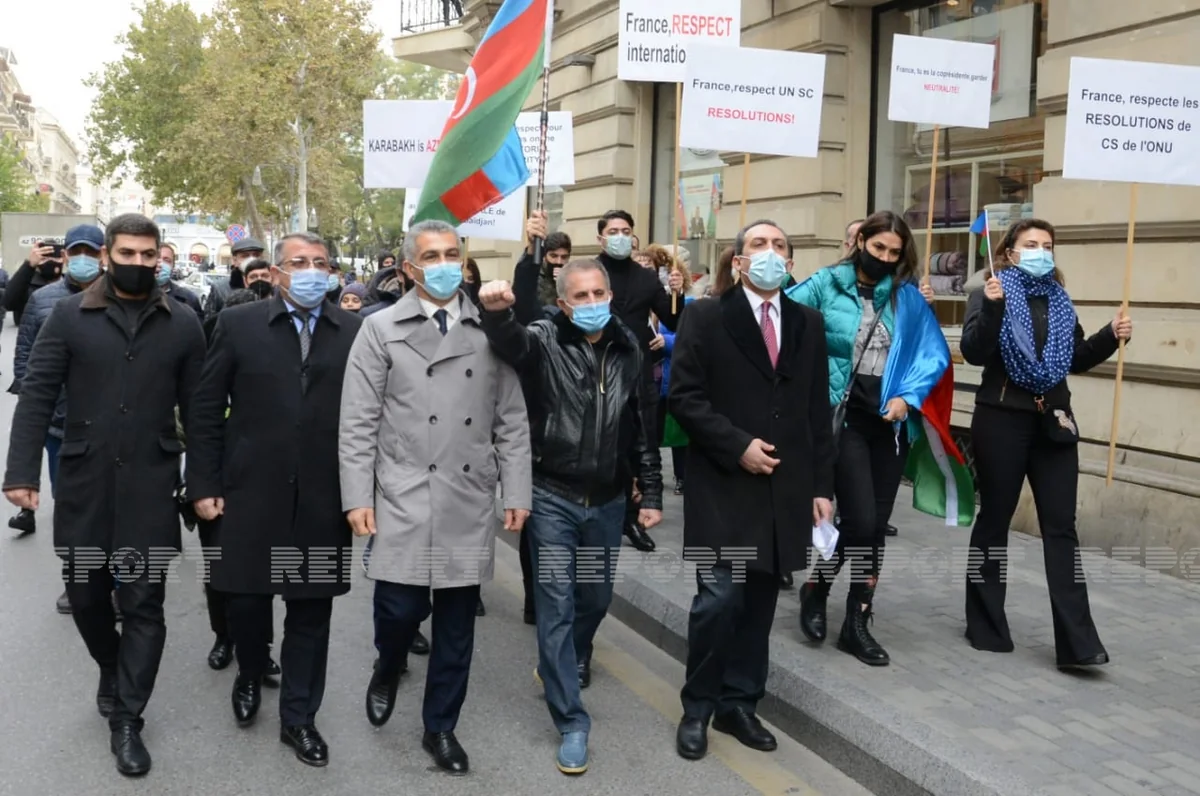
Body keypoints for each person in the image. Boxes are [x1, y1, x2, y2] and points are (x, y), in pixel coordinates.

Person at [3, 213, 206, 776]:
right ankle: (111, 667)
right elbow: (38, 395)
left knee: (143, 600)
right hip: (85, 482)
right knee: (88, 596)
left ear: (159, 256)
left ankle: (128, 717)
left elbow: (201, 412)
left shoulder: (184, 322)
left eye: (148, 255)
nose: (137, 264)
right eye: (127, 254)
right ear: (108, 254)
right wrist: (21, 474)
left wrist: (205, 482)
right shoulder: (69, 316)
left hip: (150, 483)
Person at [341, 219, 532, 775]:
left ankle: (440, 727)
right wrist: (359, 495)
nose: (446, 264)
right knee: (399, 608)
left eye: (453, 253)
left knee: (456, 623)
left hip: (467, 491)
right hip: (401, 488)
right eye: (432, 255)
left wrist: (516, 488)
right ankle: (388, 661)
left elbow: (512, 420)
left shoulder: (487, 327)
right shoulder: (379, 329)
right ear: (409, 269)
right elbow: (357, 421)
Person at [478, 261, 663, 776]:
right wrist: (495, 313)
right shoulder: (543, 338)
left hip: (605, 499)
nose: (591, 302)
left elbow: (642, 424)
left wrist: (650, 491)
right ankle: (571, 720)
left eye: (598, 292)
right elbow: (510, 343)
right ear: (563, 303)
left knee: (595, 597)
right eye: (579, 296)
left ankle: (565, 657)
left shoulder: (628, 347)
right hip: (551, 493)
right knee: (555, 604)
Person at [187, 232, 362, 767]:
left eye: (321, 263)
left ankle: (299, 719)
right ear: (277, 271)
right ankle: (248, 670)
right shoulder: (239, 325)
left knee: (311, 612)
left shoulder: (354, 331)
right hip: (248, 492)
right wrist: (204, 484)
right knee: (247, 601)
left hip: (323, 496)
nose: (311, 271)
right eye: (299, 263)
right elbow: (205, 409)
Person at [668, 219, 835, 762]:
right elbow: (686, 399)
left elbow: (815, 412)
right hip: (724, 482)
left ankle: (740, 703)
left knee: (760, 603)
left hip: (783, 487)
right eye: (758, 245)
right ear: (738, 260)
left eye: (780, 246)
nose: (770, 253)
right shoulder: (706, 315)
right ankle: (697, 707)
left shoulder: (808, 322)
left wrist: (821, 487)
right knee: (719, 600)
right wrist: (736, 445)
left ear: (791, 262)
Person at [960, 218, 1130, 670]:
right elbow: (974, 352)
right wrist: (993, 309)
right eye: (1030, 244)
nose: (1041, 251)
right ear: (1010, 253)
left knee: (1061, 527)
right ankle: (985, 623)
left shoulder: (1059, 300)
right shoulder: (990, 291)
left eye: (1048, 245)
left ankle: (1078, 643)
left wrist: (1110, 336)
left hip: (1053, 422)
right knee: (995, 519)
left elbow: (1073, 358)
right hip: (1001, 419)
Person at [787, 210, 950, 666]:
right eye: (878, 248)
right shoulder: (824, 284)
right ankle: (821, 591)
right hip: (844, 421)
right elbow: (775, 318)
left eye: (895, 253)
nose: (885, 257)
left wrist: (910, 397)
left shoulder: (907, 298)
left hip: (890, 424)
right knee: (860, 520)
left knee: (874, 527)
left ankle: (854, 618)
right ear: (860, 241)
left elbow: (932, 352)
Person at [10, 225, 108, 614]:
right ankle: (78, 582)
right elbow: (24, 362)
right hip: (59, 428)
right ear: (65, 255)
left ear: (102, 255)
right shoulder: (43, 300)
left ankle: (116, 584)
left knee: (112, 507)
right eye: (76, 251)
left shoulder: (119, 299)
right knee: (72, 507)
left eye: (91, 251)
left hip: (107, 426)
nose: (83, 258)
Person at [592, 210, 685, 553]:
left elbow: (674, 319)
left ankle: (632, 516)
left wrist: (677, 292)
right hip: (597, 371)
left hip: (638, 374)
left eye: (626, 230)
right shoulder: (589, 273)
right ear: (600, 237)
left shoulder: (646, 278)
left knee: (640, 443)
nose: (620, 236)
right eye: (613, 230)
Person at [517, 210, 572, 310]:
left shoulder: (572, 277)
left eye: (564, 257)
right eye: (553, 256)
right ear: (545, 256)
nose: (559, 262)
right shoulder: (536, 276)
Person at [156, 245, 203, 318]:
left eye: (167, 260)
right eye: (156, 259)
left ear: (173, 266)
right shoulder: (135, 297)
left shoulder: (188, 298)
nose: (161, 265)